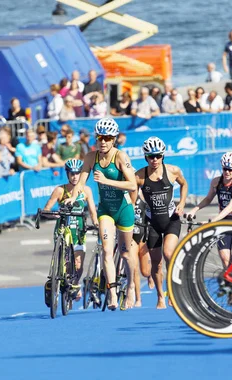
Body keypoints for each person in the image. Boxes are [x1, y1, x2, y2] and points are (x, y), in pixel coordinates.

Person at [64, 117, 138, 310]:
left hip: (123, 209)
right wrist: (73, 197)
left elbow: (132, 184)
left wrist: (107, 181)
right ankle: (112, 293)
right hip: (105, 210)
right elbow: (80, 183)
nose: (103, 141)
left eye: (107, 138)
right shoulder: (90, 157)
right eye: (100, 137)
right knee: (106, 249)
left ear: (113, 139)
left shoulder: (121, 157)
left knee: (125, 252)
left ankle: (130, 286)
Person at [135, 137, 188, 309]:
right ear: (146, 157)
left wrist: (181, 203)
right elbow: (131, 193)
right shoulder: (140, 176)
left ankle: (173, 291)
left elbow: (184, 184)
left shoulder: (173, 171)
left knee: (168, 254)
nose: (155, 160)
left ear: (163, 156)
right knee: (156, 263)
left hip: (171, 219)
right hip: (152, 223)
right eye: (151, 157)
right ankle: (160, 296)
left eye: (158, 156)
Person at [43, 159, 98, 303]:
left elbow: (92, 210)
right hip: (62, 229)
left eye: (77, 173)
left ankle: (75, 284)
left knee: (78, 264)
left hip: (78, 231)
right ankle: (57, 280)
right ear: (67, 174)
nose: (75, 177)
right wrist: (51, 214)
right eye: (72, 174)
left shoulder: (86, 190)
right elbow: (47, 208)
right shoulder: (60, 190)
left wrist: (96, 223)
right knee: (64, 262)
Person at [186, 152, 232, 267]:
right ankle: (230, 284)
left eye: (231, 169)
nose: (227, 172)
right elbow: (208, 199)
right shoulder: (216, 182)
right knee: (225, 259)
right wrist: (194, 210)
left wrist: (213, 221)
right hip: (223, 222)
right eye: (225, 169)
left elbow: (230, 207)